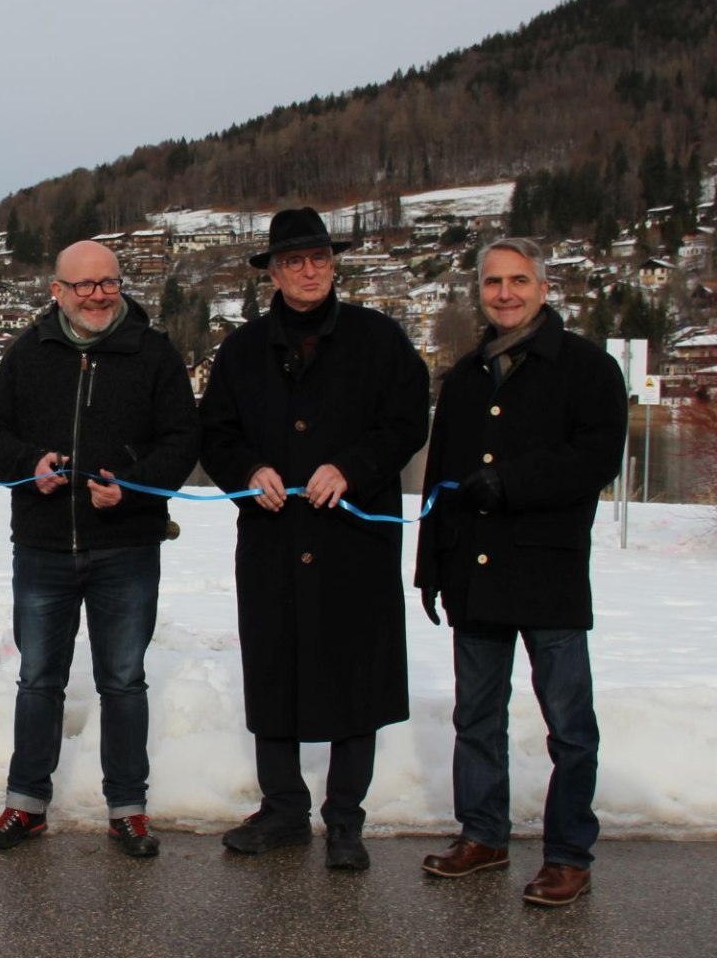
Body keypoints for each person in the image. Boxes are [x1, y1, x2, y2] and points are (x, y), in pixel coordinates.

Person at [198, 206, 430, 871]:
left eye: (320, 258)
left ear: (334, 265)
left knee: (356, 673)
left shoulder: (379, 339)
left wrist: (353, 467)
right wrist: (249, 471)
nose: (309, 271)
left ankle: (345, 818)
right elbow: (215, 433)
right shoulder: (241, 350)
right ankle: (283, 809)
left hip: (353, 538)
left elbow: (407, 421)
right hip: (272, 536)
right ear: (272, 273)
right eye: (294, 261)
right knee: (275, 669)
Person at [415, 236, 627, 907]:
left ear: (543, 287)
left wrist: (511, 482)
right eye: (492, 282)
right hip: (474, 574)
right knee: (477, 718)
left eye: (518, 281)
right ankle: (483, 835)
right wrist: (429, 566)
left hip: (547, 574)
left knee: (569, 726)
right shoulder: (466, 376)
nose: (504, 293)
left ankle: (568, 854)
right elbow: (440, 479)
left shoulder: (588, 368)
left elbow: (597, 458)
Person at [0, 239, 200, 858]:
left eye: (108, 283)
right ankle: (26, 805)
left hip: (126, 546)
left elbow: (183, 440)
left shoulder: (153, 353)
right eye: (83, 285)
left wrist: (133, 487)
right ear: (58, 292)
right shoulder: (28, 352)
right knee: (37, 680)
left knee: (123, 681)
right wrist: (29, 465)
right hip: (43, 545)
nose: (97, 295)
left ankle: (128, 809)